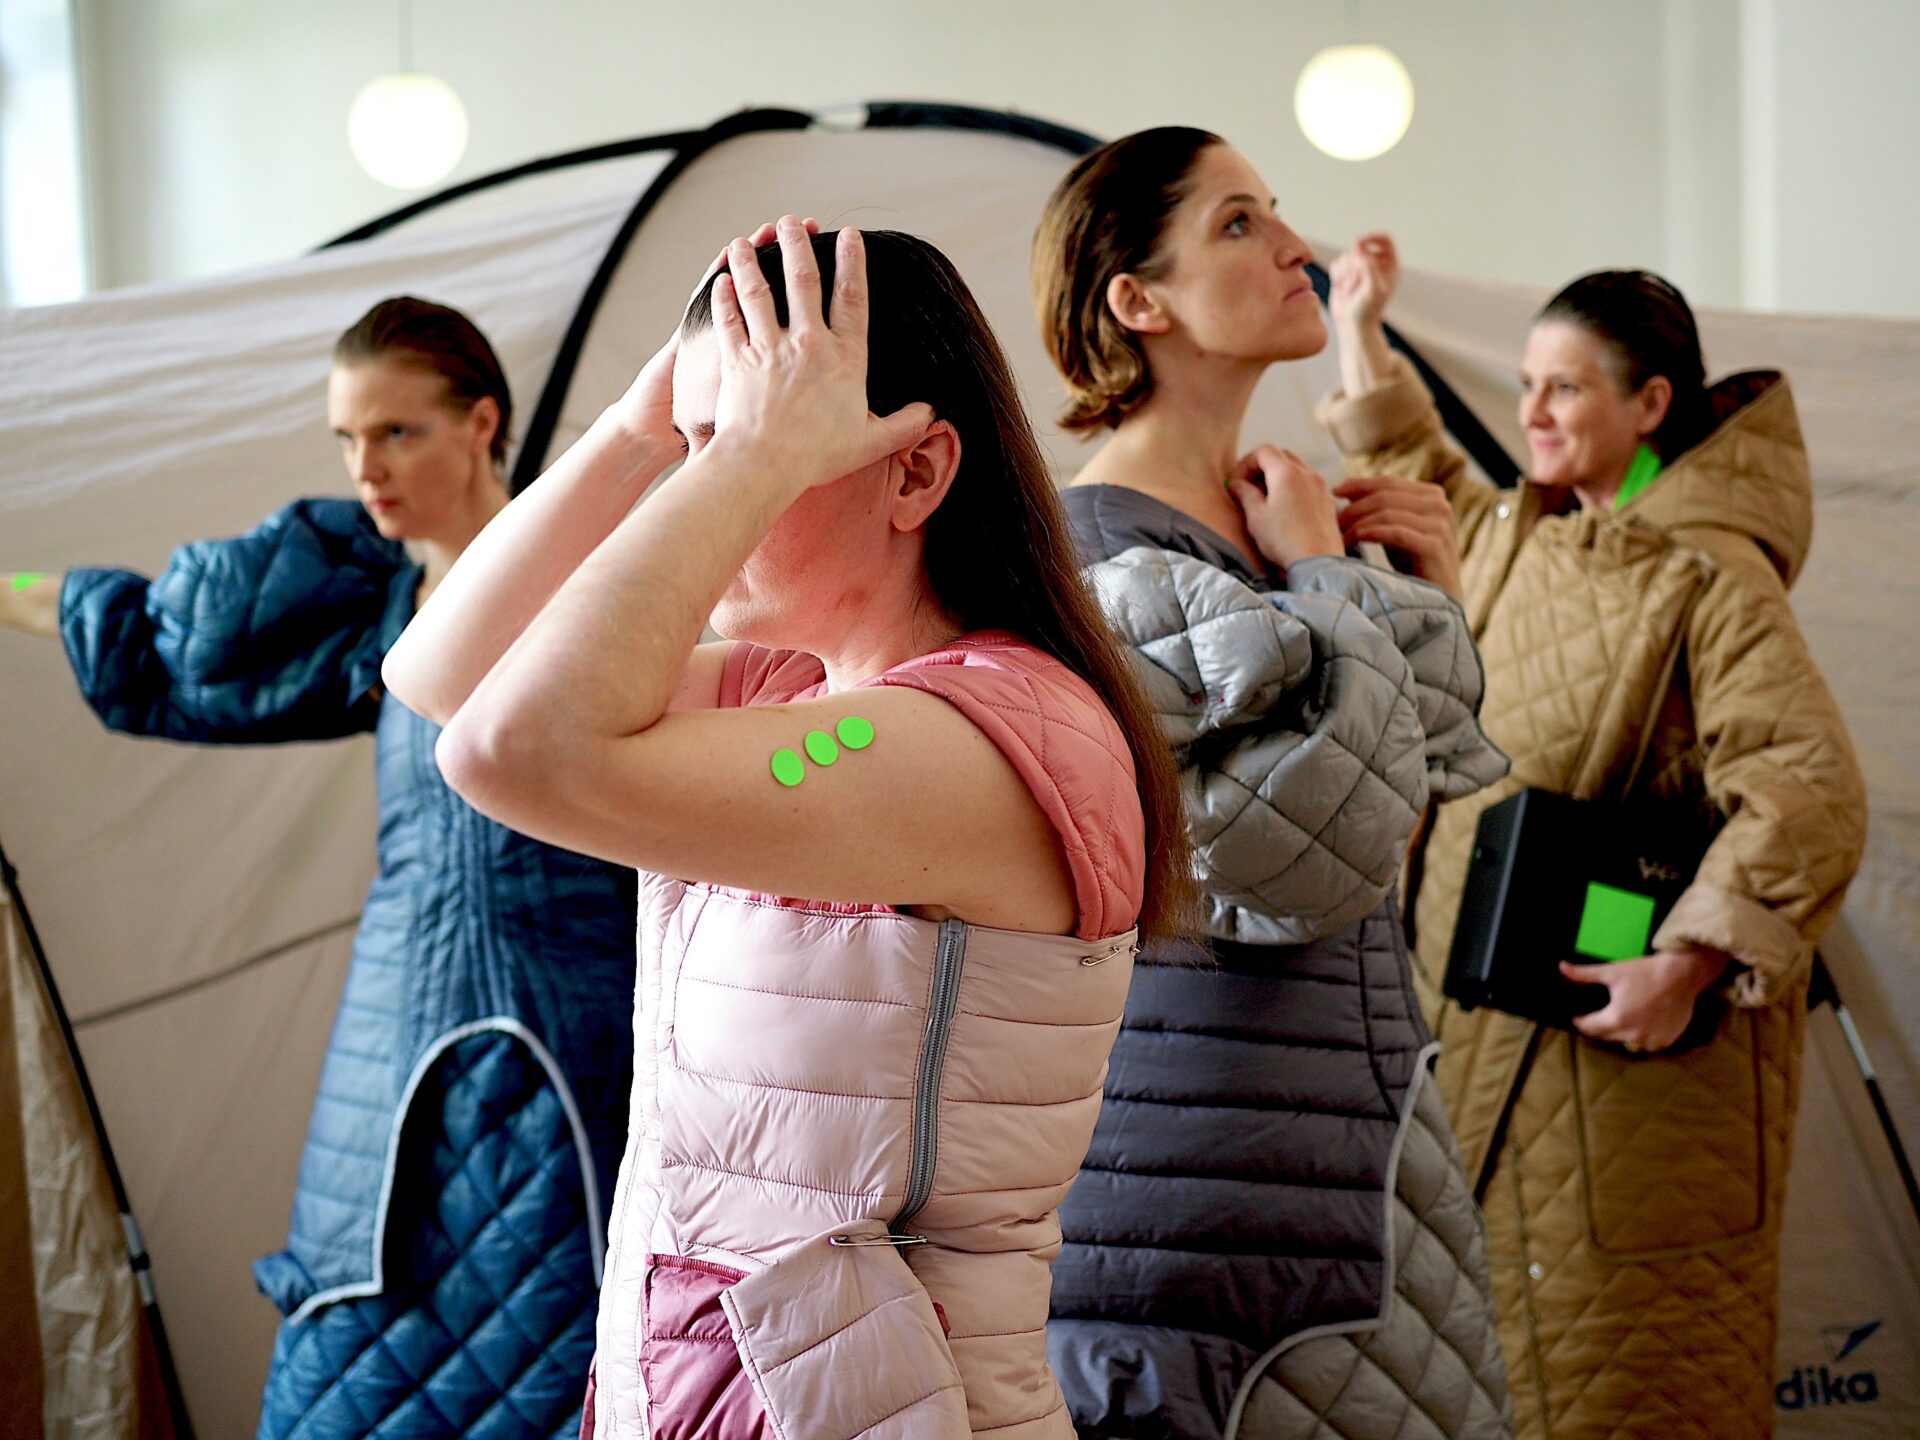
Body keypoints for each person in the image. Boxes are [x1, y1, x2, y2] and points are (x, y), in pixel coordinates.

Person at [379, 218, 1193, 1439]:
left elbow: (508, 751)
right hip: (716, 1389)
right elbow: (444, 675)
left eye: (754, 446)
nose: (708, 480)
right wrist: (641, 427)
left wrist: (738, 452)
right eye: (704, 448)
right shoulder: (795, 690)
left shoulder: (987, 735)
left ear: (914, 474)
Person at [1, 297, 639, 1440]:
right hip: (393, 1045)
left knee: (574, 1349)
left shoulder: (605, 580)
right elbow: (161, 638)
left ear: (481, 422)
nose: (368, 471)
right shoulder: (376, 609)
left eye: (396, 433)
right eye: (348, 441)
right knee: (343, 1372)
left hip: (574, 1042)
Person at [1320, 237, 1869, 1439]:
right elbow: (1424, 481)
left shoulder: (1708, 575)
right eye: (1527, 385)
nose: (1533, 412)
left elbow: (1809, 790)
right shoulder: (1533, 534)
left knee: (1626, 1395)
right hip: (1497, 1058)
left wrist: (1689, 965)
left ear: (1650, 404)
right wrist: (1360, 324)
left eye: (1565, 386)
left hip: (1628, 1084)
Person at [1031, 127, 1514, 1440]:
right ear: (1139, 300)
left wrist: (1428, 595)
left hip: (1330, 1138)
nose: (1297, 246)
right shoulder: (1101, 561)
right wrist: (1333, 579)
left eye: (1277, 213)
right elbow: (1304, 860)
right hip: (1212, 1194)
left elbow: (1389, 832)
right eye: (1239, 224)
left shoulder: (1253, 541)